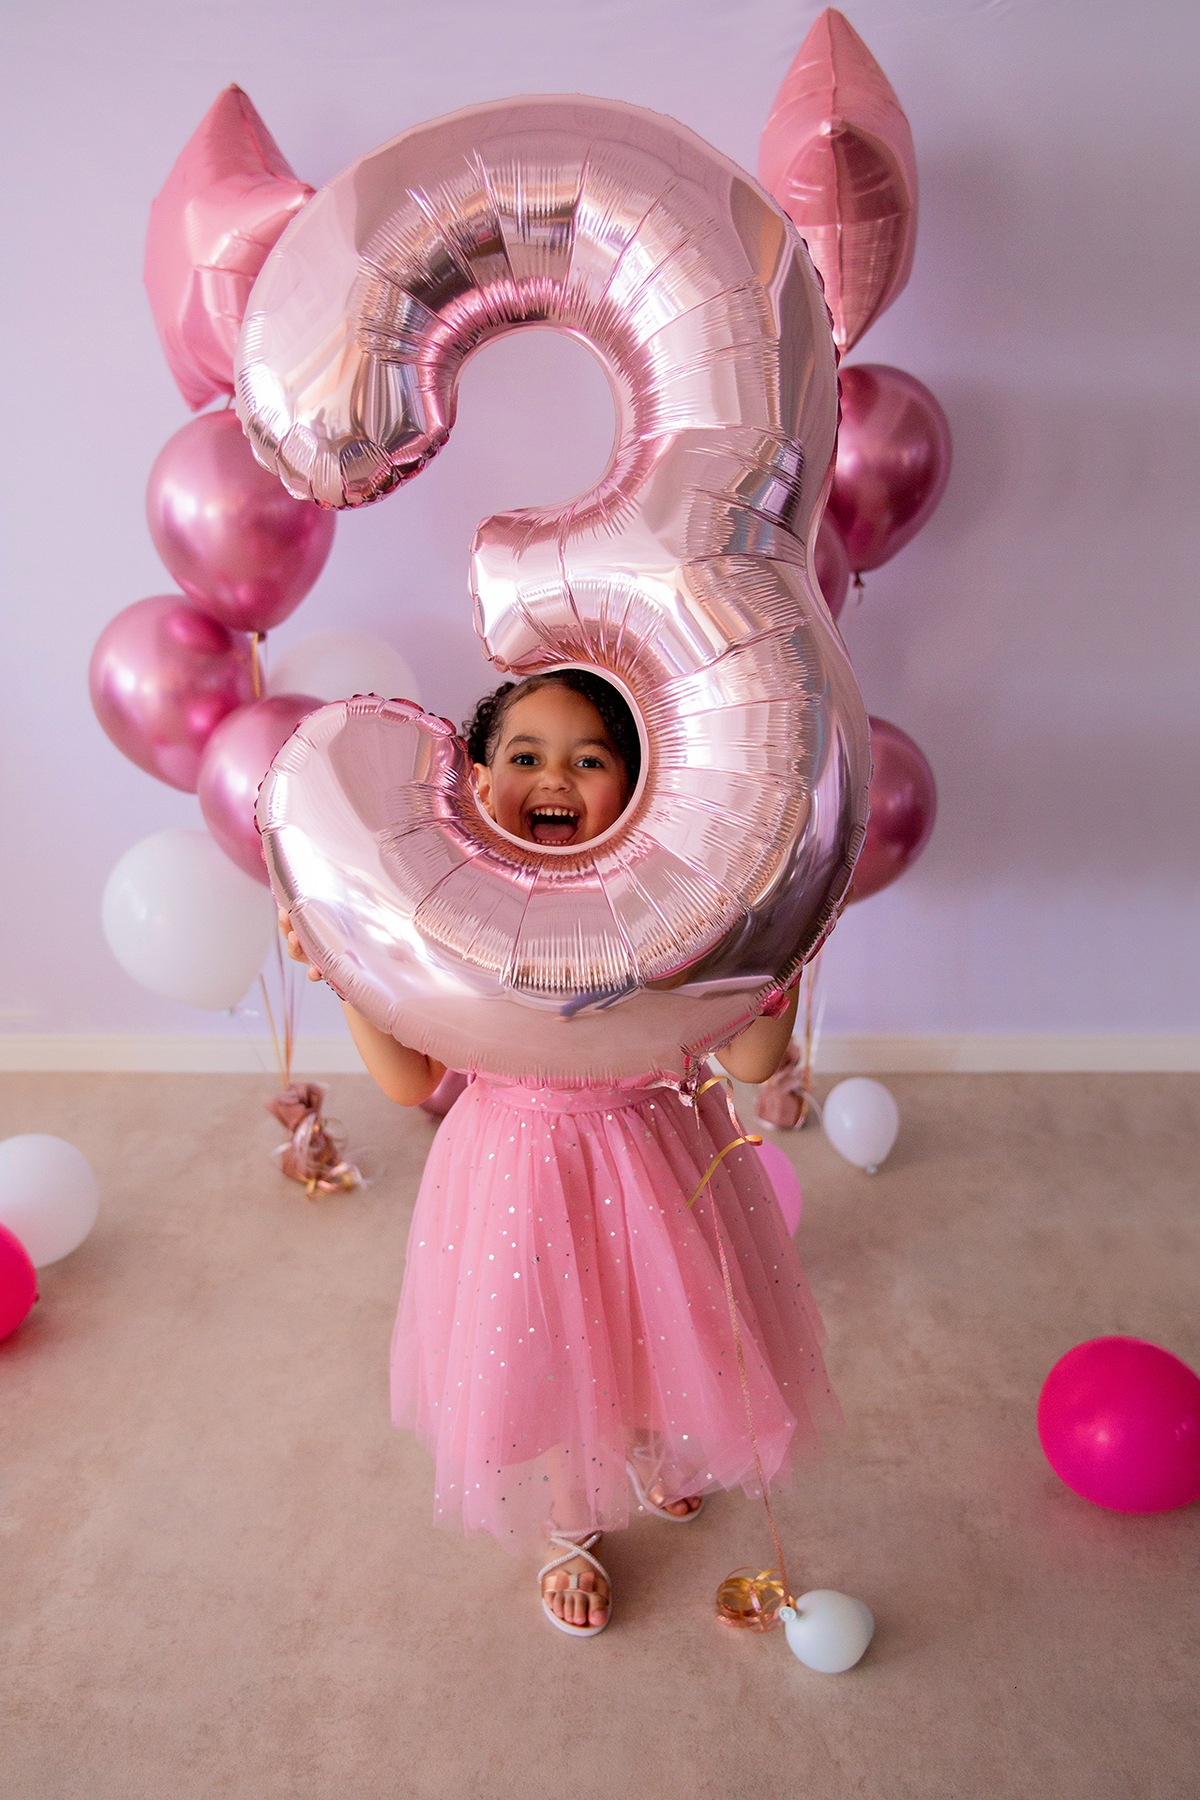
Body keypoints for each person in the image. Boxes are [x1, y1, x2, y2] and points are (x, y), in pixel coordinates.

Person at [281, 669, 839, 1637]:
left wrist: (776, 951)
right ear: (477, 782)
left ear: (638, 786)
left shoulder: (669, 902)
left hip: (657, 1154)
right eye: (525, 757)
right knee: (541, 1343)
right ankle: (569, 1521)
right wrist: (343, 971)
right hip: (518, 1167)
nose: (555, 778)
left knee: (659, 1319)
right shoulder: (456, 915)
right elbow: (412, 1081)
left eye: (590, 760)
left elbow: (751, 1057)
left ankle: (659, 1452)